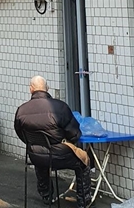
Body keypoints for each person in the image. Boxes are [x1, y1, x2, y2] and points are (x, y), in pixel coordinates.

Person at [14, 76, 91, 208]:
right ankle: (84, 202)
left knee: (41, 159)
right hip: (59, 155)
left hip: (35, 155)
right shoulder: (59, 107)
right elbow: (74, 134)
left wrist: (36, 144)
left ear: (30, 89)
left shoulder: (21, 110)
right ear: (47, 88)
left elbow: (21, 134)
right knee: (84, 163)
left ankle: (46, 196)